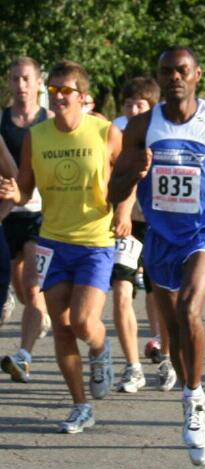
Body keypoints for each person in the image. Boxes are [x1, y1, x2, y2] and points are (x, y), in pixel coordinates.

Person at [109, 47, 205, 465]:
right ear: (159, 78)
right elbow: (113, 192)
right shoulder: (142, 126)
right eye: (166, 71)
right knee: (174, 330)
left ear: (197, 74)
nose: (174, 77)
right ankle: (198, 398)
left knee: (190, 308)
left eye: (182, 70)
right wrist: (134, 171)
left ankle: (193, 401)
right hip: (161, 236)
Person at [0, 60, 129, 433]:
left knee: (84, 322)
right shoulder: (36, 137)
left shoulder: (106, 132)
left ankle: (100, 350)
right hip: (53, 241)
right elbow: (26, 188)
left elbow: (128, 176)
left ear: (82, 96)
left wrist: (123, 212)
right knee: (61, 327)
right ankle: (80, 406)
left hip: (95, 241)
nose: (58, 97)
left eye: (66, 90)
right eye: (53, 90)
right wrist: (14, 192)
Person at [110, 76, 177, 393]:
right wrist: (122, 210)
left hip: (160, 226)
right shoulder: (117, 133)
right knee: (121, 292)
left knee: (160, 297)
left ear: (152, 107)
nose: (133, 110)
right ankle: (133, 367)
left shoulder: (164, 134)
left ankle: (166, 357)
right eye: (129, 105)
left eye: (140, 105)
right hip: (129, 226)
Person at [0, 57, 52, 383]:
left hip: (38, 215)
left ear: (39, 82)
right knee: (21, 291)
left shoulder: (50, 122)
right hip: (6, 214)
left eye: (26, 79)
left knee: (33, 288)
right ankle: (37, 315)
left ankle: (24, 357)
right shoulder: (1, 121)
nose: (20, 85)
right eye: (15, 79)